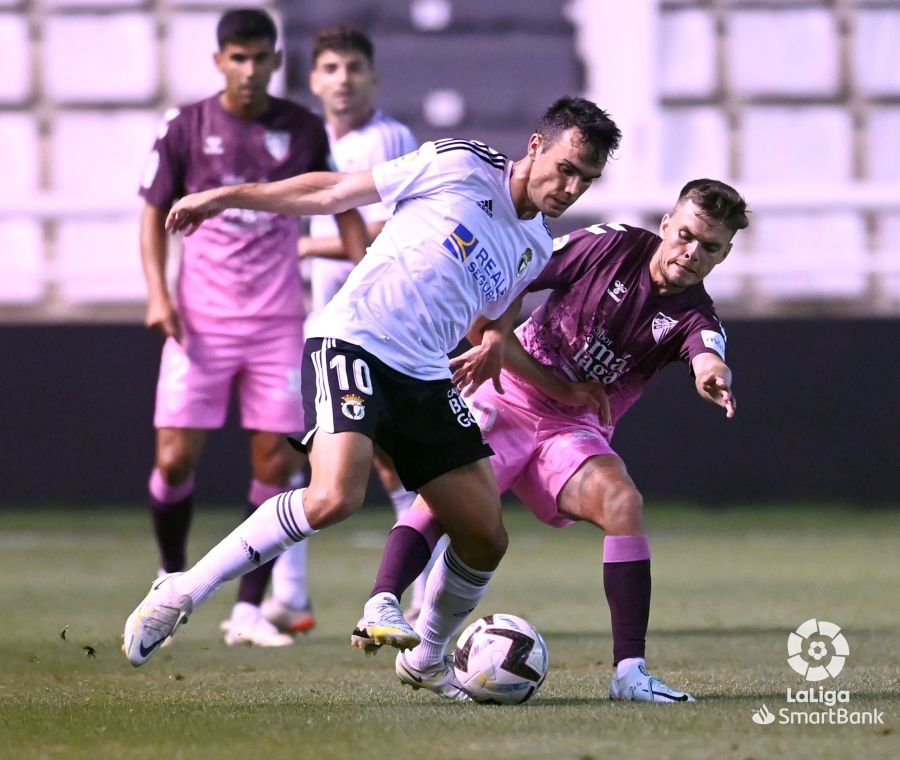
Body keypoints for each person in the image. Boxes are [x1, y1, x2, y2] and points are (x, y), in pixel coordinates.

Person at [123, 96, 622, 704]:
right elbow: (333, 192)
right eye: (566, 168)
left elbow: (491, 320)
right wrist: (224, 196)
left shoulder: (536, 246)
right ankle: (182, 591)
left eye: (586, 180)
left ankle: (427, 661)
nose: (570, 187)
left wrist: (502, 346)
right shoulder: (460, 165)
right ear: (537, 146)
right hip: (354, 339)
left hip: (425, 374)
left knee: (486, 536)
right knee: (334, 497)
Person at [356, 178, 748, 702]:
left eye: (710, 247)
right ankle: (383, 602)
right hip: (505, 393)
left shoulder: (695, 314)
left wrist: (711, 373)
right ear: (665, 225)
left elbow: (707, 350)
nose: (691, 253)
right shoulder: (608, 244)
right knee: (441, 504)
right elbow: (519, 273)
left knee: (623, 502)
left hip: (570, 429)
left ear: (724, 254)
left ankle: (629, 674)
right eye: (686, 235)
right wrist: (498, 338)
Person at [138, 9, 366, 648]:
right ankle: (168, 576)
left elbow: (337, 202)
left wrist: (371, 274)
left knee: (273, 459)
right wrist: (158, 294)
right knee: (174, 458)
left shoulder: (301, 129)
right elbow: (151, 214)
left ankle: (247, 606)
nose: (247, 69)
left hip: (276, 325)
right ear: (219, 62)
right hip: (200, 324)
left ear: (274, 61)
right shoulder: (187, 127)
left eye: (258, 58)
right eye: (236, 58)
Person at [267, 26, 430, 631]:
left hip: (378, 319)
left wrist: (305, 245)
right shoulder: (308, 139)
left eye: (354, 67)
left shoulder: (387, 138)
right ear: (313, 79)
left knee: (390, 459)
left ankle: (423, 586)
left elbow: (393, 232)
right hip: (321, 319)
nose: (342, 78)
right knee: (299, 451)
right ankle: (292, 597)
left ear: (373, 77)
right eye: (330, 67)